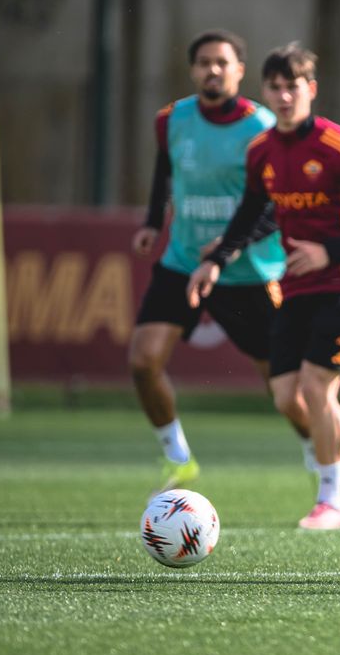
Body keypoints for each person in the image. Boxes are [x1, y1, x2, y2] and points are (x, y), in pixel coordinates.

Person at [186, 43, 340, 530]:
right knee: (286, 396)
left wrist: (330, 251)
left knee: (316, 388)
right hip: (298, 284)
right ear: (265, 91)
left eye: (294, 86)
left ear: (311, 90)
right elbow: (253, 212)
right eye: (276, 87)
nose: (284, 96)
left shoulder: (338, 145)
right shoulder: (261, 150)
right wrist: (218, 259)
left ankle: (331, 500)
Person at [129, 28, 315, 494]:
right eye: (203, 62)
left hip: (248, 273)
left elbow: (277, 206)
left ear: (239, 71)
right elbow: (165, 170)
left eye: (222, 62)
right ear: (192, 70)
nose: (212, 69)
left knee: (285, 391)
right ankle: (178, 459)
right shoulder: (172, 119)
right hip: (182, 261)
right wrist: (154, 221)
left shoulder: (263, 127)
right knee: (142, 359)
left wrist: (229, 247)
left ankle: (323, 456)